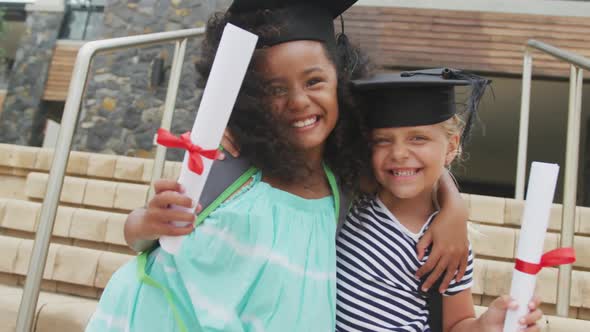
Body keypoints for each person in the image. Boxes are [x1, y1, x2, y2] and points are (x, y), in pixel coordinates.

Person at [87, 1, 471, 331]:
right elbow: (140, 237)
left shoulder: (344, 175)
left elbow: (405, 172)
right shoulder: (229, 162)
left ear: (342, 83)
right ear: (251, 98)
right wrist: (149, 221)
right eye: (274, 89)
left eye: (315, 81)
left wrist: (454, 209)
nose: (299, 101)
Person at [335, 68, 543, 331]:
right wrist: (455, 205)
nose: (399, 153)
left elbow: (455, 324)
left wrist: (484, 326)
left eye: (418, 138)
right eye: (383, 141)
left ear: (452, 145)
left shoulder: (448, 246)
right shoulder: (352, 200)